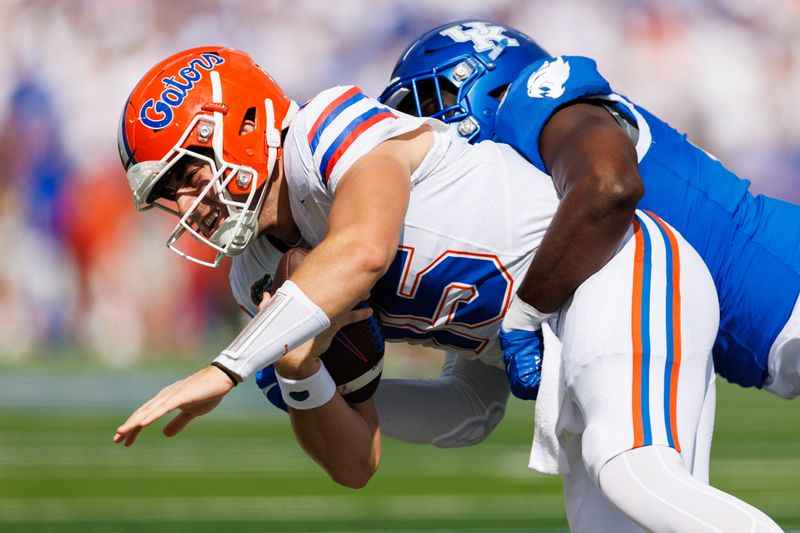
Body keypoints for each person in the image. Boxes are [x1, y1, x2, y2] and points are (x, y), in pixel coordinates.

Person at [113, 47, 781, 532]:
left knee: (633, 470)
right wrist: (300, 374)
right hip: (564, 326)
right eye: (169, 196)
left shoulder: (323, 130)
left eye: (186, 174)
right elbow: (360, 458)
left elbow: (364, 248)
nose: (187, 204)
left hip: (615, 264)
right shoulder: (256, 272)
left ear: (247, 126)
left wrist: (228, 365)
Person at [379, 20, 800, 401]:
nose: (424, 126)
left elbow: (609, 186)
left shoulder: (539, 103)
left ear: (489, 85)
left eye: (431, 101)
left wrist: (526, 315)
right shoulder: (520, 201)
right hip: (770, 320)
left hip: (784, 284)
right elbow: (469, 405)